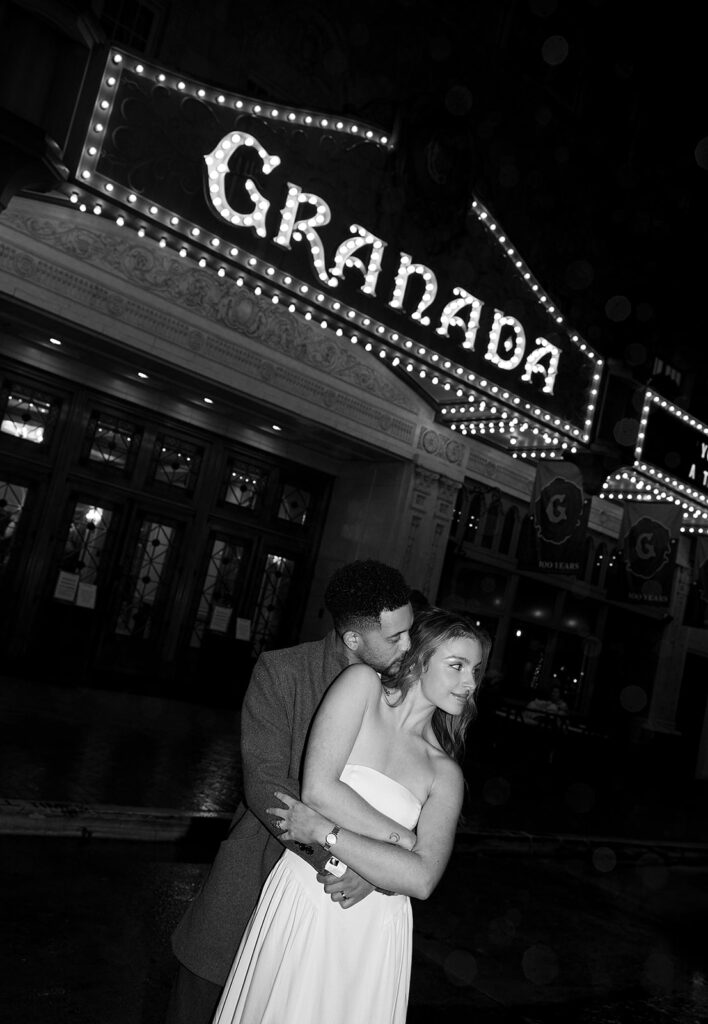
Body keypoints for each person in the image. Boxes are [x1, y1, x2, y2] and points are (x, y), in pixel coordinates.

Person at [210, 607, 492, 1024]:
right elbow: (319, 790)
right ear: (419, 657)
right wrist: (403, 842)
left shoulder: (444, 772)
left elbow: (422, 878)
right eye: (457, 666)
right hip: (307, 897)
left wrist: (328, 834)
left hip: (376, 925)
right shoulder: (361, 686)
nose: (470, 683)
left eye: (476, 670)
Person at [166, 559, 413, 1024]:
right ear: (353, 639)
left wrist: (380, 869)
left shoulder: (401, 694)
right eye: (396, 637)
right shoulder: (282, 671)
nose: (408, 646)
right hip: (258, 877)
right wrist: (345, 860)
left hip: (340, 916)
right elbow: (265, 788)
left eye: (409, 632)